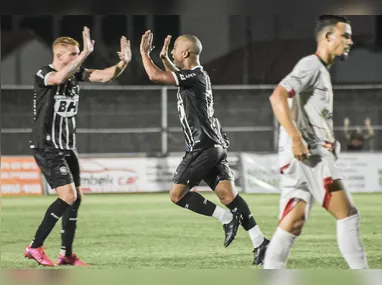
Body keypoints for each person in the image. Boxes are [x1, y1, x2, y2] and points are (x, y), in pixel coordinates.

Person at [140, 30, 269, 265]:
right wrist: (166, 60)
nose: (172, 51)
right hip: (214, 145)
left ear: (186, 52)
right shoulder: (199, 75)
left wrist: (144, 54)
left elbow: (155, 77)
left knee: (176, 195)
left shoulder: (194, 76)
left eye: (175, 49)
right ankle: (260, 241)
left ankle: (226, 218)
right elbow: (178, 75)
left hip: (202, 147)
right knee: (227, 194)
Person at [264, 15, 368, 269]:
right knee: (348, 215)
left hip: (302, 157)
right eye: (345, 35)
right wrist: (296, 137)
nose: (350, 41)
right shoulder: (311, 65)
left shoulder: (320, 70)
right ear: (328, 37)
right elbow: (277, 96)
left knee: (294, 222)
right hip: (310, 155)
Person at [25, 26, 132, 267]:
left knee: (77, 198)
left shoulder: (75, 74)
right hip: (47, 145)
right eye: (72, 54)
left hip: (67, 146)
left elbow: (105, 76)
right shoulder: (44, 73)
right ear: (59, 56)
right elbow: (58, 78)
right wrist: (84, 53)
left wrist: (123, 62)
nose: (76, 57)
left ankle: (66, 254)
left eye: (77, 53)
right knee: (68, 195)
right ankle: (34, 247)